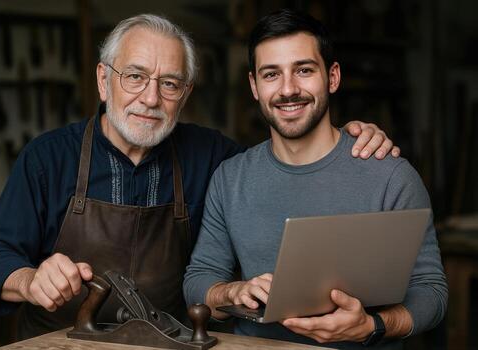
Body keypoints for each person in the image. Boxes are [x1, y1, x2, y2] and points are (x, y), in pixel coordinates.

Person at [0, 13, 399, 340]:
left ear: (186, 94)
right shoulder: (47, 158)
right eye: (135, 77)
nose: (151, 98)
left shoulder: (213, 157)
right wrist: (29, 281)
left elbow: (287, 159)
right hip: (62, 345)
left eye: (170, 83)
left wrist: (346, 141)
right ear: (104, 81)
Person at [183, 9, 447, 350]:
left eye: (304, 70)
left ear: (332, 77)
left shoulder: (389, 174)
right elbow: (198, 279)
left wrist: (372, 326)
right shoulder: (230, 178)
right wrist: (231, 291)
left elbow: (432, 292)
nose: (288, 89)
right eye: (271, 74)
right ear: (254, 86)